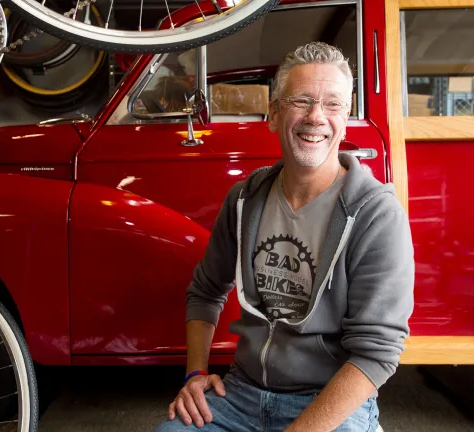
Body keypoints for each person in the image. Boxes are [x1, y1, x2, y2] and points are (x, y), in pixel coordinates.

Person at [152, 41, 414, 432]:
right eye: (301, 100)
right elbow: (205, 291)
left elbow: (377, 354)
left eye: (332, 104)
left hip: (329, 401)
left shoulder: (376, 213)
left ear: (346, 118)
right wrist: (194, 375)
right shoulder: (244, 198)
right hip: (239, 393)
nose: (315, 117)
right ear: (273, 114)